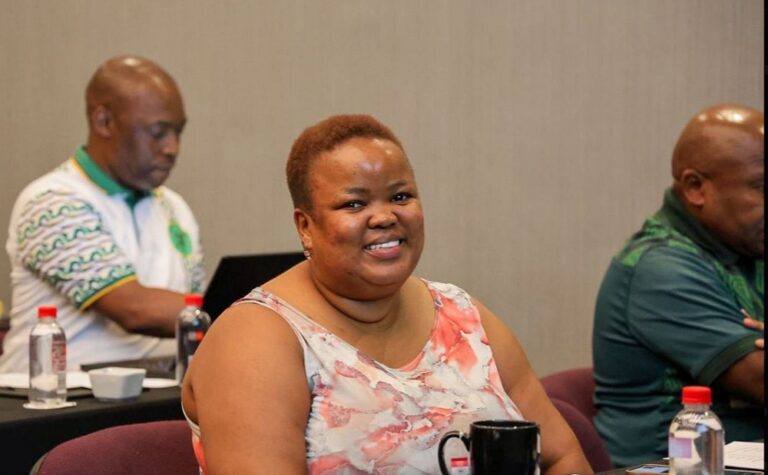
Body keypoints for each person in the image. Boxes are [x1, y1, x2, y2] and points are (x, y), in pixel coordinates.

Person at [182, 114, 591, 474]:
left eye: (400, 197)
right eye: (354, 204)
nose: (384, 217)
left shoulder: (463, 316)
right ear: (305, 226)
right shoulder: (255, 338)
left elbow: (562, 459)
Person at [0, 56, 203, 373]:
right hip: (57, 397)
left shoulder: (174, 208)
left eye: (178, 132)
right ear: (103, 122)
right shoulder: (51, 201)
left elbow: (193, 308)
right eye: (158, 132)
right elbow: (134, 310)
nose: (172, 148)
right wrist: (254, 313)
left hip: (159, 390)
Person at [592, 104, 764, 467]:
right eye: (760, 186)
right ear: (696, 188)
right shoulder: (660, 267)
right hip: (670, 465)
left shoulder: (748, 249)